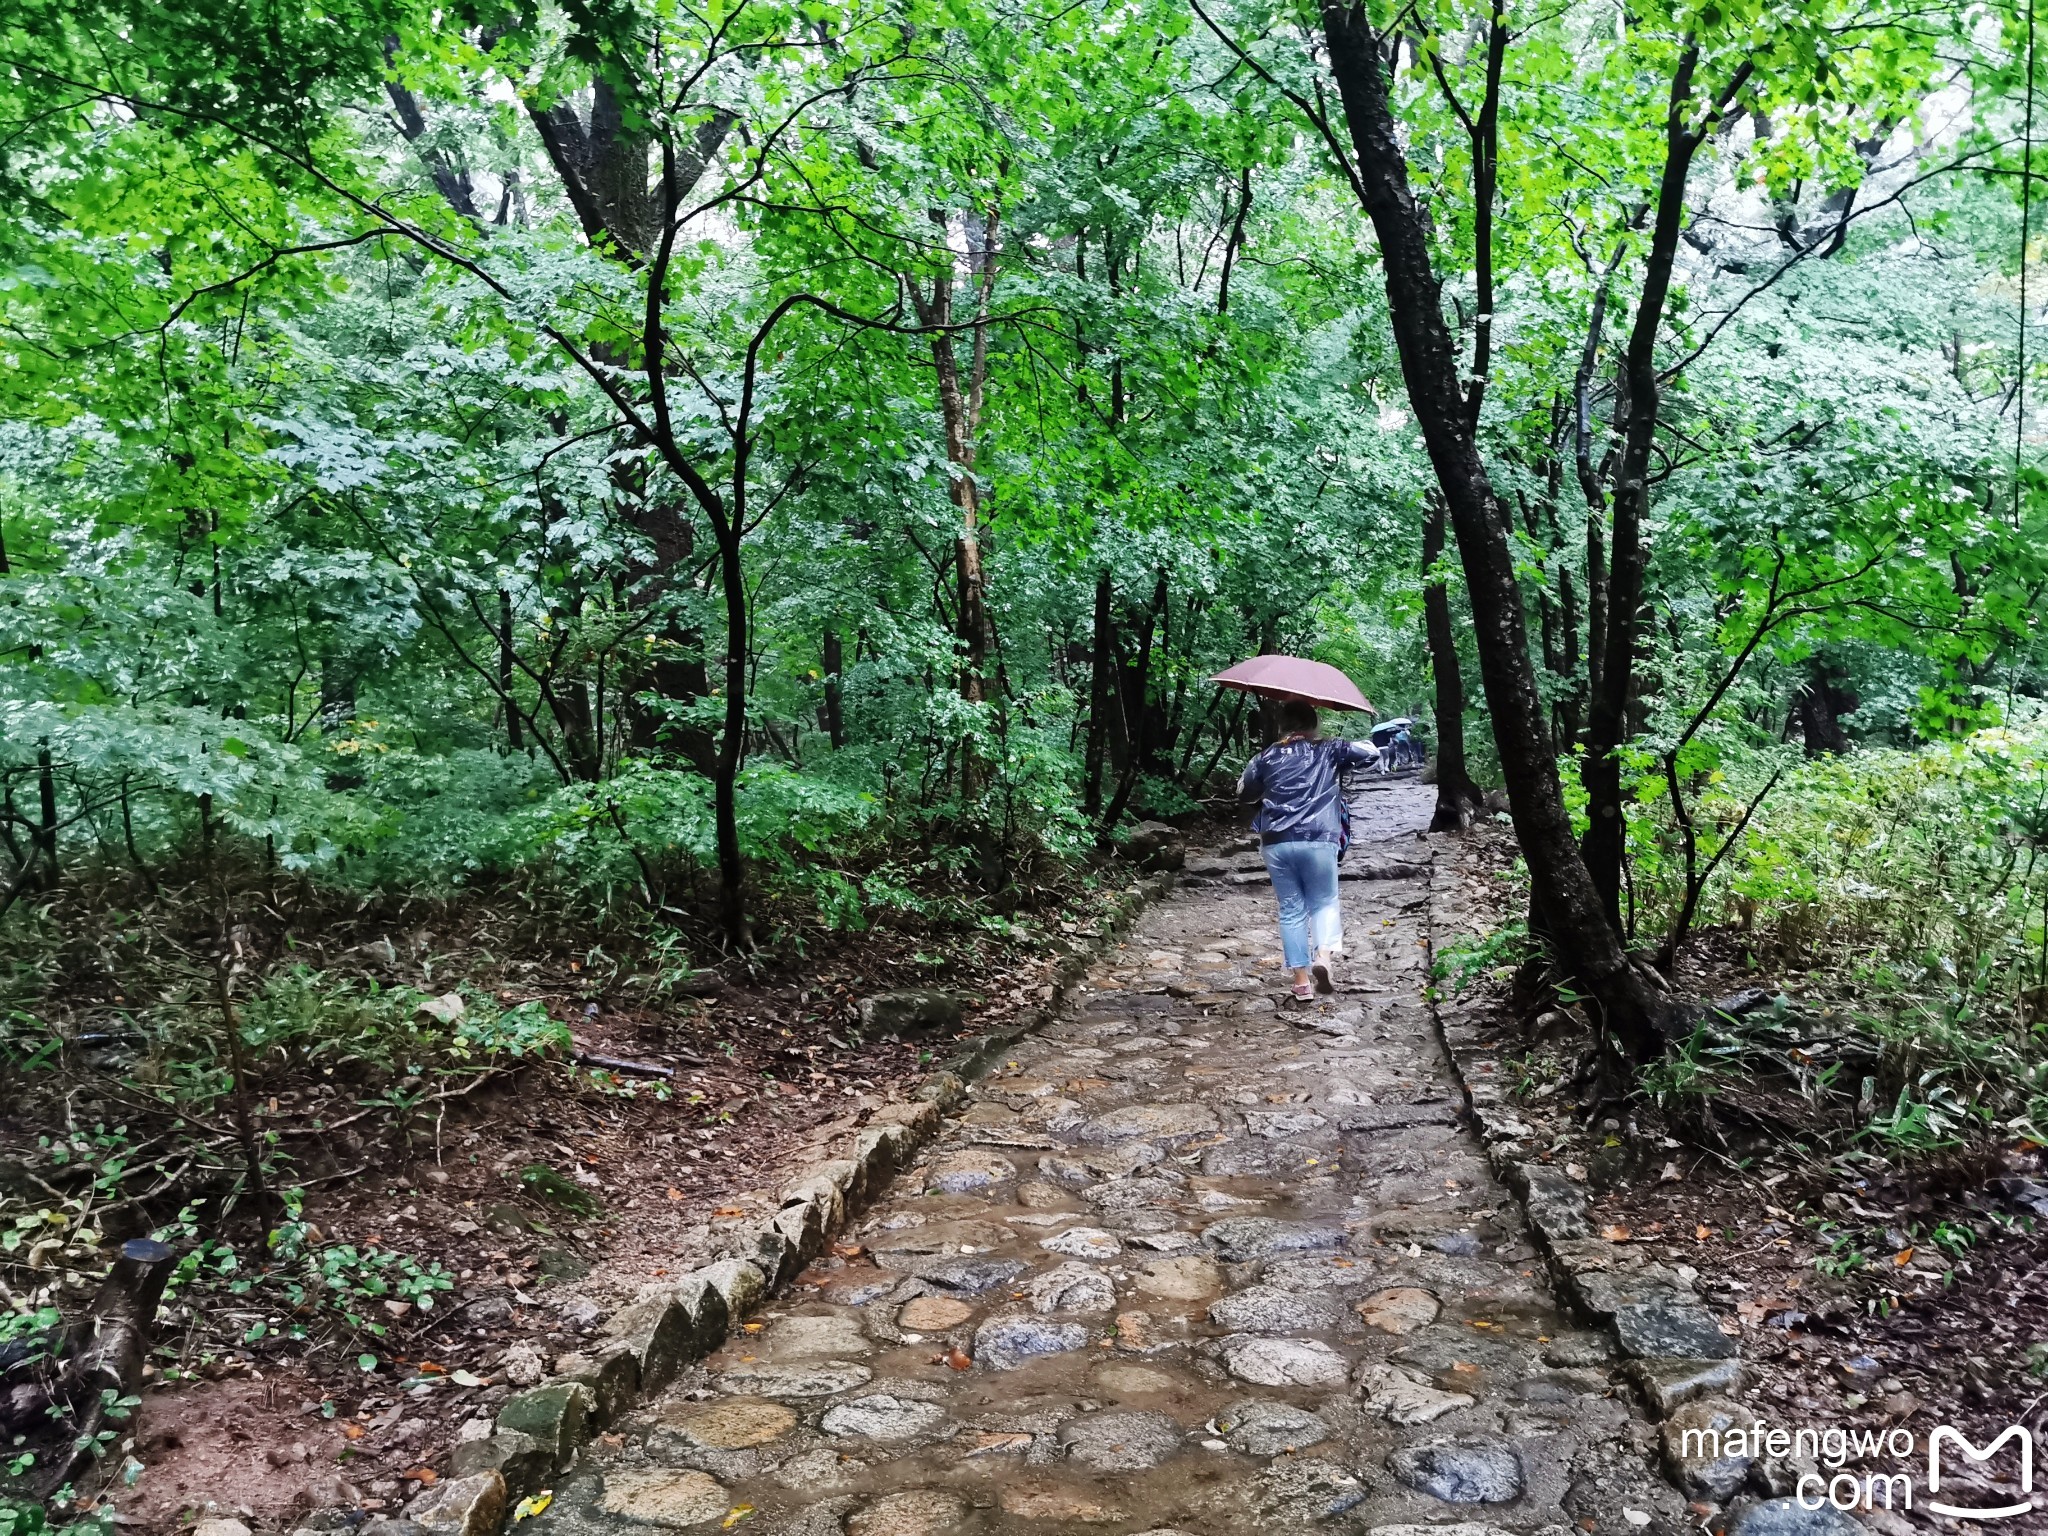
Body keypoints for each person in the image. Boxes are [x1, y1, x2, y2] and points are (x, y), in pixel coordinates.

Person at [1236, 699, 1381, 999]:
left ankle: (1301, 983)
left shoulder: (1265, 757)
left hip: (1276, 841)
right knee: (1324, 902)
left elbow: (1246, 793)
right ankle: (1323, 958)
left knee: (1291, 910)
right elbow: (1371, 754)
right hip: (1318, 837)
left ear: (1283, 726)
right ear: (1313, 725)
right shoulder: (1329, 749)